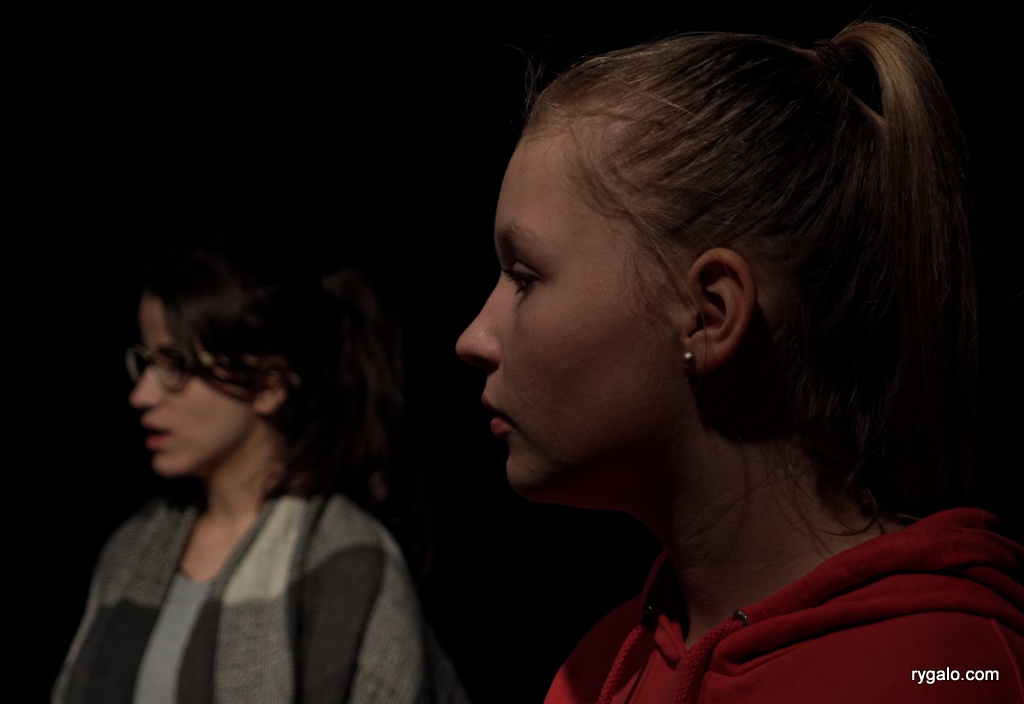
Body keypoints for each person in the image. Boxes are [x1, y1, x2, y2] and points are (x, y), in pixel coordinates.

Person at [456, 20, 1022, 704]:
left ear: (709, 315)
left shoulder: (948, 672)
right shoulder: (595, 669)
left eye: (524, 277)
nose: (472, 339)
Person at [53, 241, 470, 703]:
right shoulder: (133, 548)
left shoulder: (345, 559)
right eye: (147, 363)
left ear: (268, 385)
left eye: (175, 365)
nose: (142, 395)